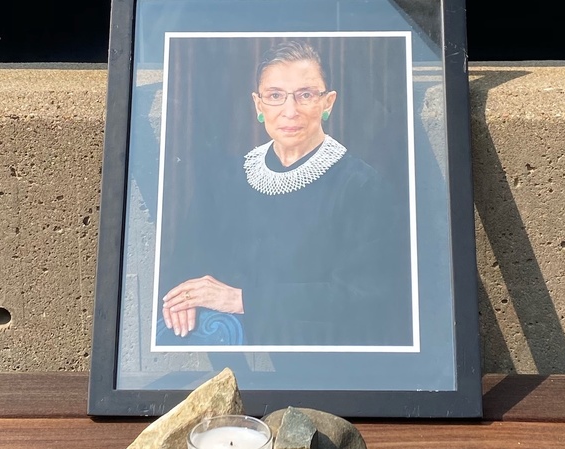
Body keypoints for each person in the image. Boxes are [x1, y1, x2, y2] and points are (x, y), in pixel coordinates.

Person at [157, 40, 412, 347]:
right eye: (275, 96)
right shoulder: (226, 180)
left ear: (328, 102)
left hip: (323, 364)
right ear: (258, 104)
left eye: (305, 95)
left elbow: (362, 298)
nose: (290, 111)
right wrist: (183, 298)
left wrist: (243, 299)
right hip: (227, 360)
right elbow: (186, 261)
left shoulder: (362, 187)